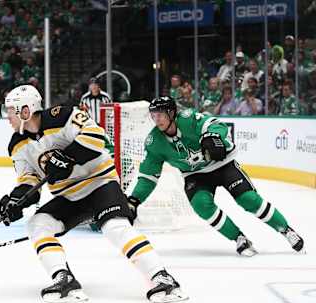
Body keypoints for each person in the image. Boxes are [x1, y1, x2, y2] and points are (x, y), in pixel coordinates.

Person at [0, 85, 188, 303]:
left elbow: (96, 135)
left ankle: (163, 278)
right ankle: (64, 279)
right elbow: (29, 178)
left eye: (10, 110)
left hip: (100, 183)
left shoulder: (62, 115)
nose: (7, 116)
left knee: (114, 227)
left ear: (26, 110)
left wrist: (68, 158)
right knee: (38, 224)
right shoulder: (17, 144)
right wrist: (16, 200)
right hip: (69, 196)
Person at [127, 96, 305, 256]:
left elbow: (215, 124)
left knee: (248, 199)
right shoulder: (154, 142)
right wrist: (134, 200)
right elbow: (148, 176)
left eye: (160, 114)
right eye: (153, 115)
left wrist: (212, 136)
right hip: (195, 174)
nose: (156, 119)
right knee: (201, 205)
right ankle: (239, 238)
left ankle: (286, 230)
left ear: (172, 113)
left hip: (222, 165)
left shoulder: (188, 119)